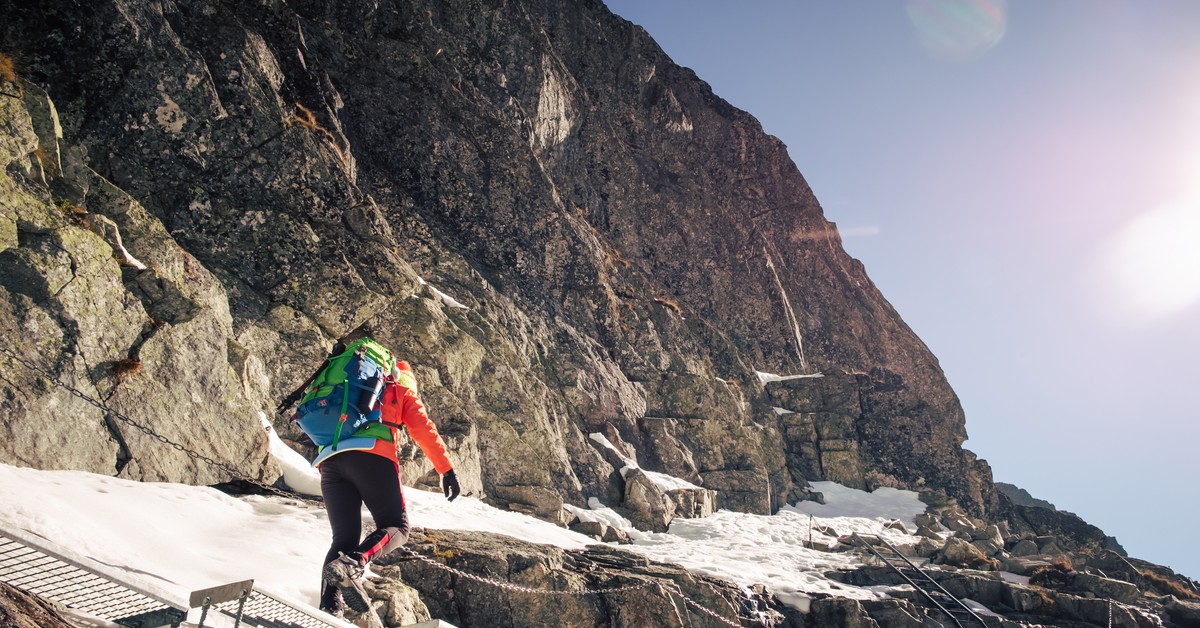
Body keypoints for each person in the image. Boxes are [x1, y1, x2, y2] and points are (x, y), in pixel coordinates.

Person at [303, 349, 461, 616]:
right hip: (372, 455)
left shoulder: (347, 381)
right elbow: (423, 428)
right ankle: (354, 563)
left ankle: (330, 608)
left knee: (344, 537)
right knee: (397, 526)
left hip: (330, 460)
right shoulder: (400, 388)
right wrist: (447, 470)